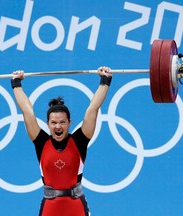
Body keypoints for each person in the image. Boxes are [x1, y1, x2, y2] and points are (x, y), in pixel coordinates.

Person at [11, 67, 112, 216]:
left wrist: (105, 80)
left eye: (62, 122)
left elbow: (93, 109)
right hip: (50, 207)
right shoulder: (41, 142)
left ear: (69, 123)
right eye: (54, 123)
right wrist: (16, 84)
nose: (58, 126)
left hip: (76, 205)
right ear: (48, 124)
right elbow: (28, 112)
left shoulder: (79, 141)